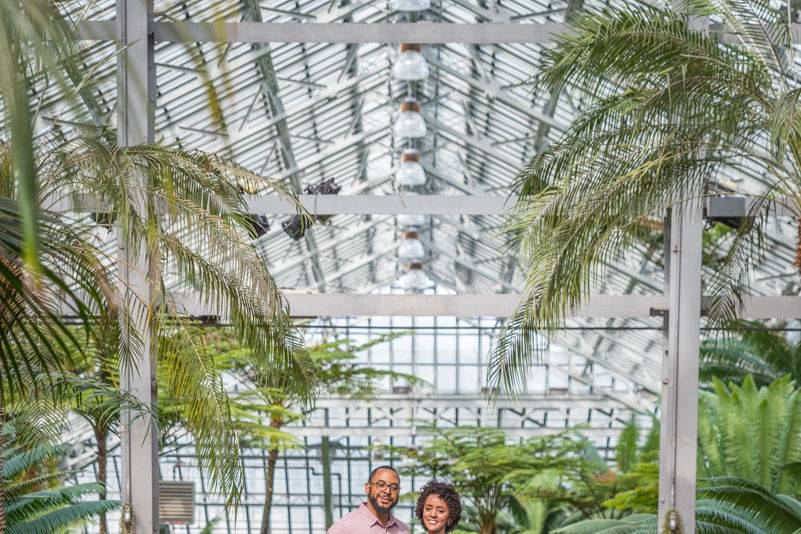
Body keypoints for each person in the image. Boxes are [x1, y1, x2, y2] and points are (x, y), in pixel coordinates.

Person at [327, 465, 411, 533]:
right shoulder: (344, 529)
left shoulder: (404, 530)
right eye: (381, 485)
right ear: (367, 488)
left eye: (394, 487)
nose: (388, 491)